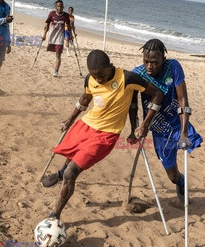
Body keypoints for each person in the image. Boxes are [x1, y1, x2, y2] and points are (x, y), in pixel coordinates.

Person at [46, 50, 163, 219]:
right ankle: (60, 173)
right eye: (95, 76)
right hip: (85, 125)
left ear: (110, 66)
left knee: (71, 173)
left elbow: (158, 94)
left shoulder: (127, 78)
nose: (99, 80)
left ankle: (54, 215)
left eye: (101, 75)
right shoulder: (90, 79)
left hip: (106, 134)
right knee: (70, 157)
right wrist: (69, 120)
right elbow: (85, 100)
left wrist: (144, 125)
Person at [131, 39, 203, 203]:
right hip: (159, 128)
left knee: (190, 142)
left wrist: (184, 133)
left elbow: (183, 98)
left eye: (154, 62)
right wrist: (136, 128)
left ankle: (185, 135)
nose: (150, 66)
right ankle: (180, 181)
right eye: (146, 62)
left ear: (163, 59)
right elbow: (132, 105)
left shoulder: (173, 67)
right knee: (171, 175)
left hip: (178, 122)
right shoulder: (138, 74)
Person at [42, 0, 72, 77]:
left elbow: (68, 26)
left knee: (58, 55)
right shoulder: (51, 14)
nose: (59, 8)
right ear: (56, 7)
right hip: (52, 37)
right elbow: (47, 24)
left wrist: (70, 35)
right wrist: (44, 34)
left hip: (60, 38)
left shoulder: (65, 15)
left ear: (63, 7)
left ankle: (56, 71)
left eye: (61, 6)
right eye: (58, 6)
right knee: (53, 52)